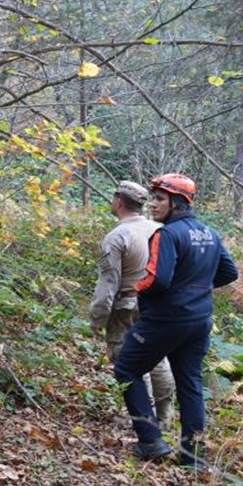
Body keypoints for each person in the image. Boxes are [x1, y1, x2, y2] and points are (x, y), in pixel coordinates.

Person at [113, 174, 238, 468]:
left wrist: (137, 289)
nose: (153, 204)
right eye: (154, 198)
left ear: (178, 203)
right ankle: (193, 456)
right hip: (199, 319)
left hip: (165, 319)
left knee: (127, 368)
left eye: (160, 199)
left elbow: (158, 280)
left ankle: (150, 440)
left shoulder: (166, 234)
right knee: (190, 382)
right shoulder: (210, 233)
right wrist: (196, 287)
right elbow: (229, 272)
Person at [89, 180, 176, 426]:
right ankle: (164, 418)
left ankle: (142, 419)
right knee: (158, 358)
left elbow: (109, 283)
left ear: (118, 201)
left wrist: (98, 317)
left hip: (127, 307)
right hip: (158, 306)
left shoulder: (117, 236)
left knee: (129, 361)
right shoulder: (160, 230)